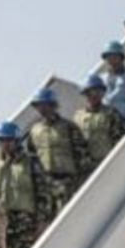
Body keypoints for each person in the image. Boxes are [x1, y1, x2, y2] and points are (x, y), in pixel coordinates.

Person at [0, 120, 51, 248]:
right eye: (1, 141)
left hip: (24, 223)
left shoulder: (30, 162)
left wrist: (42, 221)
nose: (5, 144)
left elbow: (43, 192)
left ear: (16, 140)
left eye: (8, 140)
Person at [26, 88, 88, 216]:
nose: (42, 109)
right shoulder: (34, 131)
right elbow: (32, 157)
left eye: (45, 105)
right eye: (39, 106)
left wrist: (78, 180)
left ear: (53, 106)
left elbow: (82, 154)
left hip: (67, 181)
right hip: (46, 184)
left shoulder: (68, 127)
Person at [72, 73, 125, 172]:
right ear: (85, 94)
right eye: (90, 93)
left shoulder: (111, 113)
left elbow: (120, 140)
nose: (94, 96)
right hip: (88, 169)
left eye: (97, 92)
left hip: (110, 164)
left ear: (102, 93)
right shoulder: (78, 117)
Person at [98, 40, 125, 123]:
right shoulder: (102, 79)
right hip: (106, 119)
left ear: (121, 58)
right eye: (108, 58)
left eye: (114, 58)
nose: (111, 61)